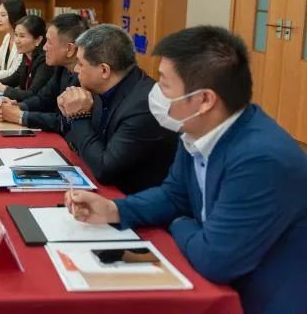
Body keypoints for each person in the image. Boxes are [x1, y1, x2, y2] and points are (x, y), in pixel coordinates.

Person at [65, 26, 307, 313]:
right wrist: (115, 209)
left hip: (261, 298)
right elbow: (173, 195)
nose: (155, 92)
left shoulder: (261, 159)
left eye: (165, 84)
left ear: (205, 100)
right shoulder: (196, 129)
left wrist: (178, 222)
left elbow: (215, 260)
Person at [58, 24, 177, 194]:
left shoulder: (144, 105)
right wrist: (69, 112)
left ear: (104, 70)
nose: (76, 70)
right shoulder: (105, 87)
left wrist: (78, 117)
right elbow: (77, 143)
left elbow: (104, 169)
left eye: (81, 64)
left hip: (134, 198)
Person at [0, 13, 88, 133]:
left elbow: (65, 123)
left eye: (49, 42)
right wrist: (18, 106)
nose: (44, 47)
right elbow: (43, 98)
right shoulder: (61, 68)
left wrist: (20, 116)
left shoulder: (86, 78)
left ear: (70, 49)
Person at [0, 15, 54, 102]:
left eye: (22, 36)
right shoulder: (27, 54)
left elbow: (32, 94)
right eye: (16, 35)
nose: (17, 40)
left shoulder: (45, 60)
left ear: (38, 40)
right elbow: (16, 77)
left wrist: (3, 89)